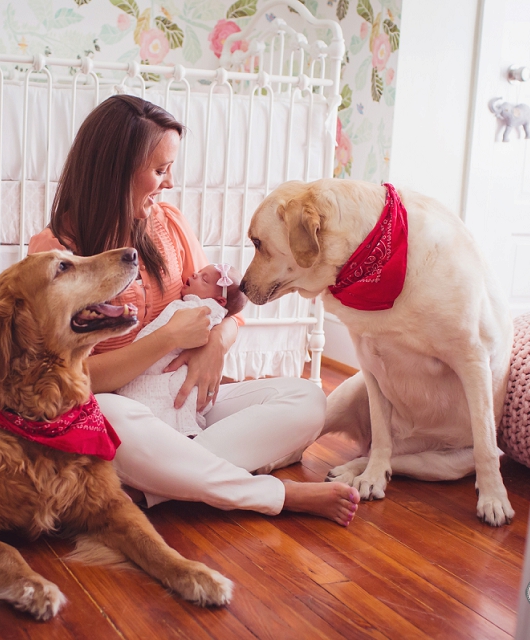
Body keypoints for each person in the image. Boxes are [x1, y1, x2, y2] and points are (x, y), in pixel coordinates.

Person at [28, 94, 360, 525]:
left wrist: (215, 345)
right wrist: (168, 339)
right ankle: (271, 493)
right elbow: (71, 381)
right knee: (109, 416)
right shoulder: (57, 256)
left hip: (186, 406)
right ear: (116, 173)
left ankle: (156, 485)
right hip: (117, 410)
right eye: (159, 171)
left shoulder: (170, 224)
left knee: (307, 398)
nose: (168, 183)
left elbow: (228, 309)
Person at [117, 263, 247, 438]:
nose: (194, 274)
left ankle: (189, 442)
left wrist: (215, 342)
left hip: (188, 386)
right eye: (199, 273)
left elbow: (231, 317)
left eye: (204, 278)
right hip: (113, 394)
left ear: (218, 301)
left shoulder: (205, 308)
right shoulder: (191, 303)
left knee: (295, 396)